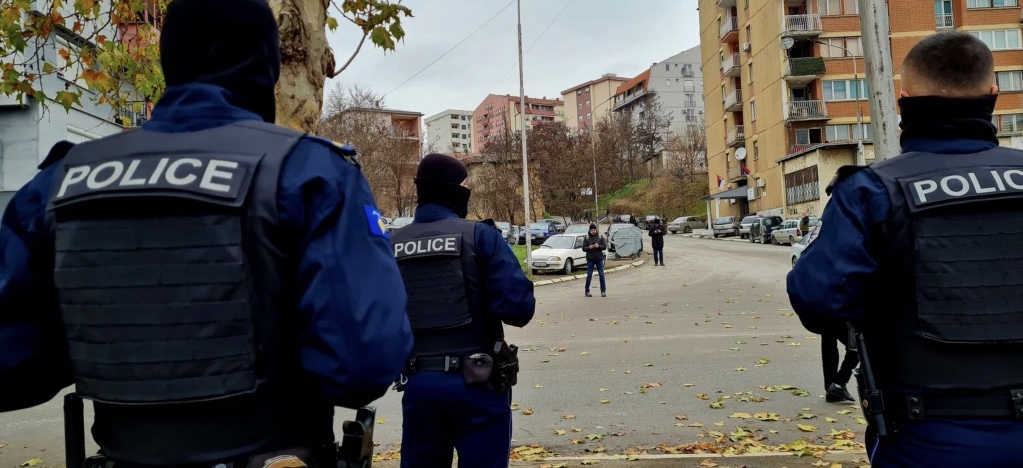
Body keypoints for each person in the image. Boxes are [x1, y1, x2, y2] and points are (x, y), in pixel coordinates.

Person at [0, 0, 414, 466]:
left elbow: (12, 366)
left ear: (168, 59)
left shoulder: (57, 183)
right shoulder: (311, 171)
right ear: (269, 66)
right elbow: (363, 363)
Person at [787, 31, 1023, 466]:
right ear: (993, 95)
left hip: (928, 436)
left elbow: (817, 299)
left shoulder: (872, 191)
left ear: (903, 100)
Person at [391, 153, 535, 468]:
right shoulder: (479, 236)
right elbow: (519, 309)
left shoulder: (392, 245)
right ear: (455, 190)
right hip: (477, 386)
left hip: (419, 387)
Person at [820, 319, 858, 403]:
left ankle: (831, 388)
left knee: (828, 338)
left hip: (824, 310)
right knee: (857, 345)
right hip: (842, 311)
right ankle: (838, 384)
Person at [582, 223, 607, 297]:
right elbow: (583, 248)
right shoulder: (586, 238)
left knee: (601, 275)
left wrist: (598, 246)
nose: (593, 231)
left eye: (594, 230)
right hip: (590, 259)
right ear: (589, 230)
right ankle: (587, 291)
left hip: (599, 258)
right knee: (589, 275)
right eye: (592, 230)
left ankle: (603, 291)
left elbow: (604, 246)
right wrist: (589, 247)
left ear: (596, 230)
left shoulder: (600, 237)